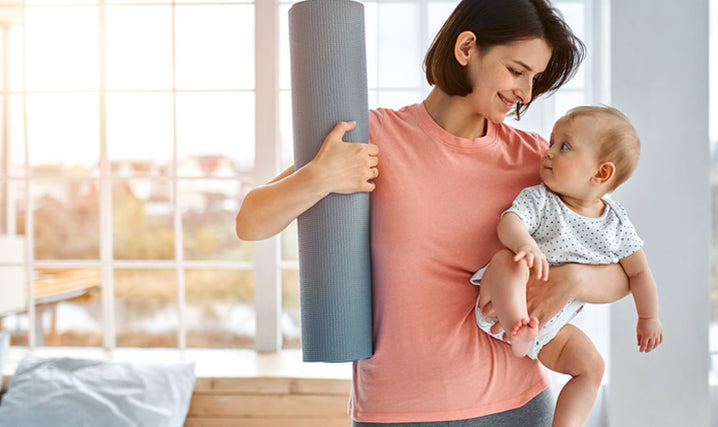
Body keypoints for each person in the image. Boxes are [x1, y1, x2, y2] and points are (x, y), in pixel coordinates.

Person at [236, 0, 632, 425]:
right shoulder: (376, 138)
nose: (526, 93)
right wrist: (319, 177)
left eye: (534, 79)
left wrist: (572, 278)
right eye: (517, 71)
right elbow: (250, 222)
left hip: (517, 406)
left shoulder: (537, 159)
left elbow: (625, 269)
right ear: (466, 48)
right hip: (396, 410)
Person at [471, 105, 662, 427]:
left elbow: (639, 272)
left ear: (601, 173)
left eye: (564, 146)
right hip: (501, 305)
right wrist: (525, 245)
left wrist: (648, 317)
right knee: (507, 259)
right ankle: (518, 325)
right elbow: (510, 221)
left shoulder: (616, 223)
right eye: (551, 142)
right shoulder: (541, 199)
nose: (547, 152)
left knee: (592, 367)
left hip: (550, 327)